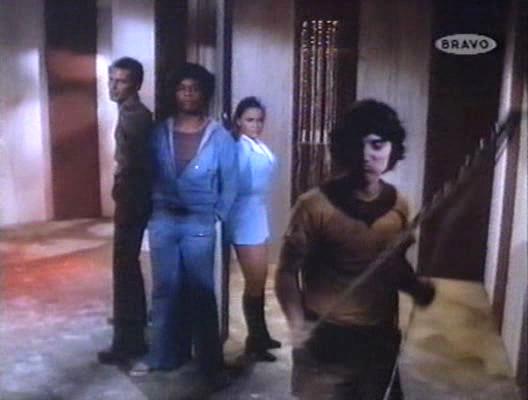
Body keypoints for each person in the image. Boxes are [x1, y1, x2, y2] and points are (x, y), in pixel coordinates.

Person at [275, 100, 436, 399]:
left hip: (379, 341)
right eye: (357, 145)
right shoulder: (313, 206)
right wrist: (297, 323)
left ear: (392, 149)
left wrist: (415, 287)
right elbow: (286, 272)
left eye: (377, 145)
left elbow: (394, 265)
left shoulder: (399, 205)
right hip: (325, 340)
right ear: (343, 149)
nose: (366, 155)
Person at [131, 63, 238, 386]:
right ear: (174, 93)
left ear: (204, 93)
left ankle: (209, 363)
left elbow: (231, 182)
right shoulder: (159, 132)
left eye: (194, 88)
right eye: (182, 88)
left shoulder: (219, 136)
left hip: (199, 222)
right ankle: (163, 355)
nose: (188, 94)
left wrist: (217, 214)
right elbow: (145, 172)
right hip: (163, 219)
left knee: (201, 292)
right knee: (164, 289)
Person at [98, 57, 153, 365]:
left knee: (124, 267)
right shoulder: (130, 112)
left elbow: (138, 163)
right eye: (111, 79)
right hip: (132, 194)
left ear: (136, 85)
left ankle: (129, 339)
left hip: (134, 197)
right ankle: (130, 326)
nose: (113, 86)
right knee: (126, 265)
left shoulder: (136, 117)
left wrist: (123, 185)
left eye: (121, 81)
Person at [227, 97, 281, 362]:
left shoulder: (257, 145)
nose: (256, 125)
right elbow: (232, 186)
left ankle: (261, 335)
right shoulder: (239, 148)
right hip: (244, 215)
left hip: (258, 212)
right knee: (255, 280)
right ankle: (255, 341)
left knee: (260, 279)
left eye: (259, 120)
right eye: (250, 120)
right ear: (239, 121)